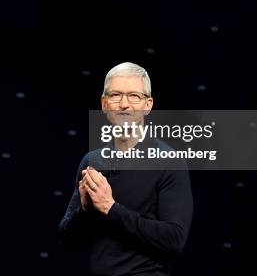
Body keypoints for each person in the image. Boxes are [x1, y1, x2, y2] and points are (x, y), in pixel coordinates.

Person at [59, 62, 193, 276]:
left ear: (148, 105)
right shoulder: (92, 162)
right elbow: (67, 240)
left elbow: (174, 239)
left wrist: (111, 209)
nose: (124, 104)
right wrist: (84, 211)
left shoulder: (169, 162)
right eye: (115, 96)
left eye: (134, 96)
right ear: (104, 104)